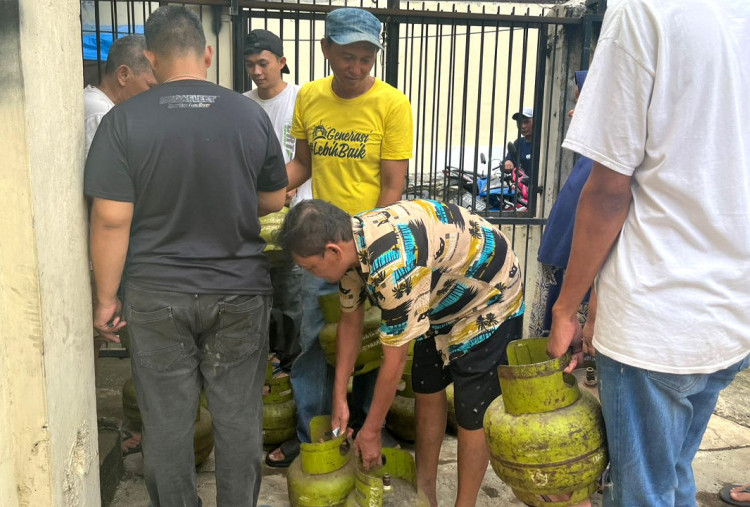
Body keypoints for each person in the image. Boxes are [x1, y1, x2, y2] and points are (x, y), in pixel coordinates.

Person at [547, 1, 750, 506]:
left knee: (641, 493)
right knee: (674, 474)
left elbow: (609, 191)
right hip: (731, 314)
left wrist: (566, 306)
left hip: (659, 317)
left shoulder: (644, 10)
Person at [84, 6, 287, 506]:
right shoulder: (249, 114)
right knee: (239, 420)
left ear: (151, 58)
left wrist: (106, 299)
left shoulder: (122, 121)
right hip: (239, 291)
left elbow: (111, 218)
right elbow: (274, 198)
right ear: (209, 54)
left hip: (156, 295)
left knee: (168, 424)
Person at [278, 199, 524, 506]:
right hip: (435, 299)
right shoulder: (353, 245)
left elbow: (392, 364)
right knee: (427, 388)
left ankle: (465, 503)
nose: (312, 275)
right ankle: (427, 496)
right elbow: (350, 322)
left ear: (332, 251)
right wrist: (339, 396)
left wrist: (370, 432)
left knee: (471, 411)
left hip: (487, 296)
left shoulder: (392, 268)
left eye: (311, 267)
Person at [267, 7, 413, 467]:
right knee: (313, 340)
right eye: (347, 56)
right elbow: (302, 166)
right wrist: (264, 192)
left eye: (366, 58)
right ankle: (313, 431)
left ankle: (370, 424)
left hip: (369, 246)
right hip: (319, 246)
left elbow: (393, 187)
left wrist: (370, 248)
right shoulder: (309, 97)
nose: (356, 67)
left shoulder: (392, 105)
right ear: (325, 49)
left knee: (371, 339)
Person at [243, 29, 310, 375]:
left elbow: (307, 157)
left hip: (296, 211)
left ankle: (294, 363)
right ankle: (267, 360)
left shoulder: (302, 99)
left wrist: (286, 187)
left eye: (264, 63)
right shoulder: (243, 104)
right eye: (251, 64)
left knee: (292, 292)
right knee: (260, 292)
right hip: (257, 213)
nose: (257, 71)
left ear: (282, 63)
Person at [528, 71, 593, 339]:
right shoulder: (590, 158)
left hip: (579, 273)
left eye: (581, 105)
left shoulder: (604, 165)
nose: (570, 113)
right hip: (559, 264)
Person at [83, 34, 156, 155]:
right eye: (151, 87)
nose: (155, 96)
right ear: (123, 75)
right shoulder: (100, 113)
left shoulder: (107, 110)